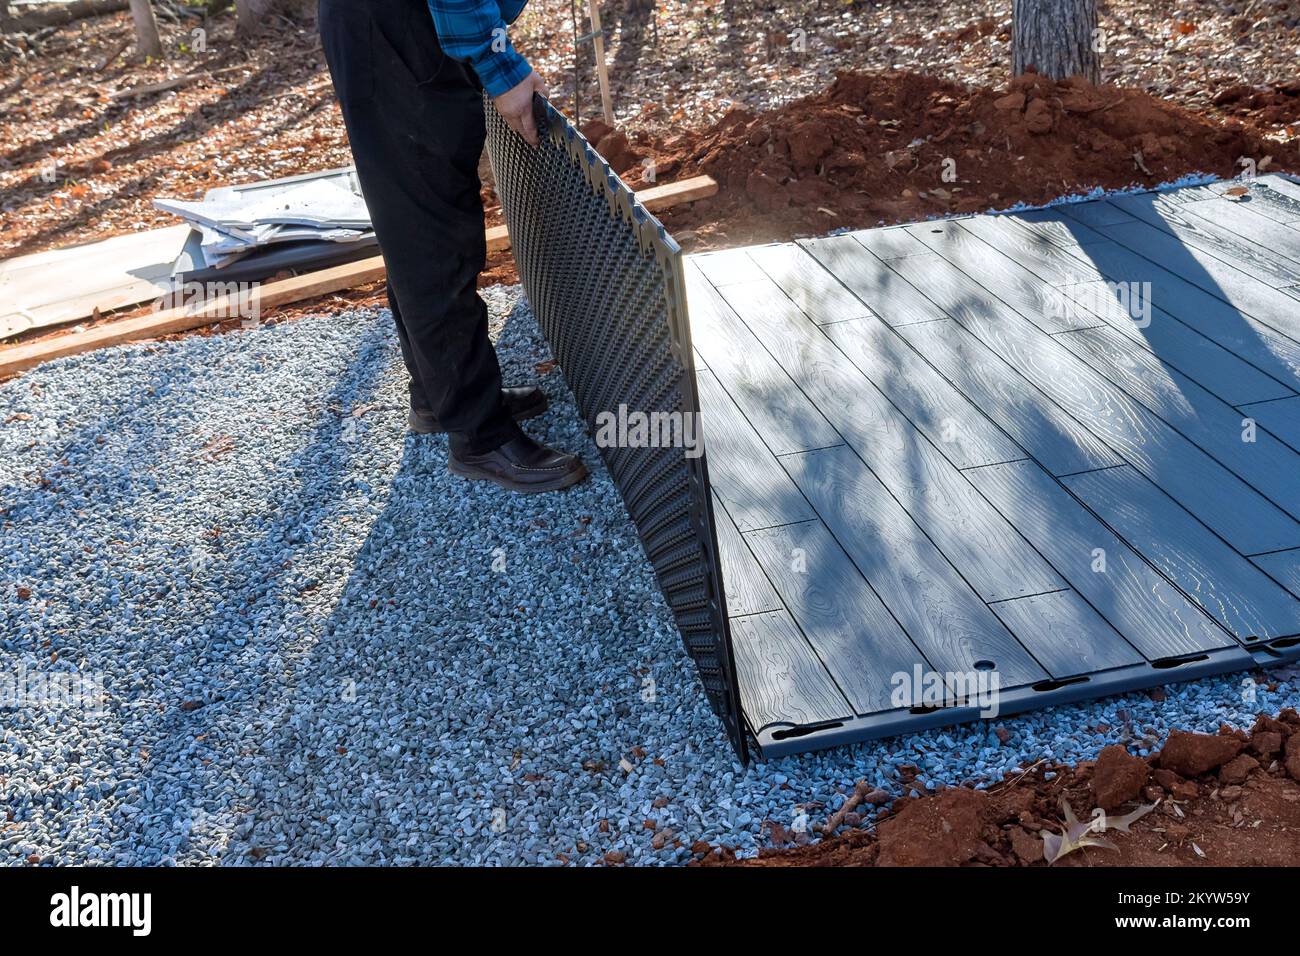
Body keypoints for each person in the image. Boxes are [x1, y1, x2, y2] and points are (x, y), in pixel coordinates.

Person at [318, 0, 589, 493]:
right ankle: (480, 437)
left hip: (396, 27)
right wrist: (500, 66)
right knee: (433, 238)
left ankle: (440, 397)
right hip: (397, 33)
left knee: (417, 225)